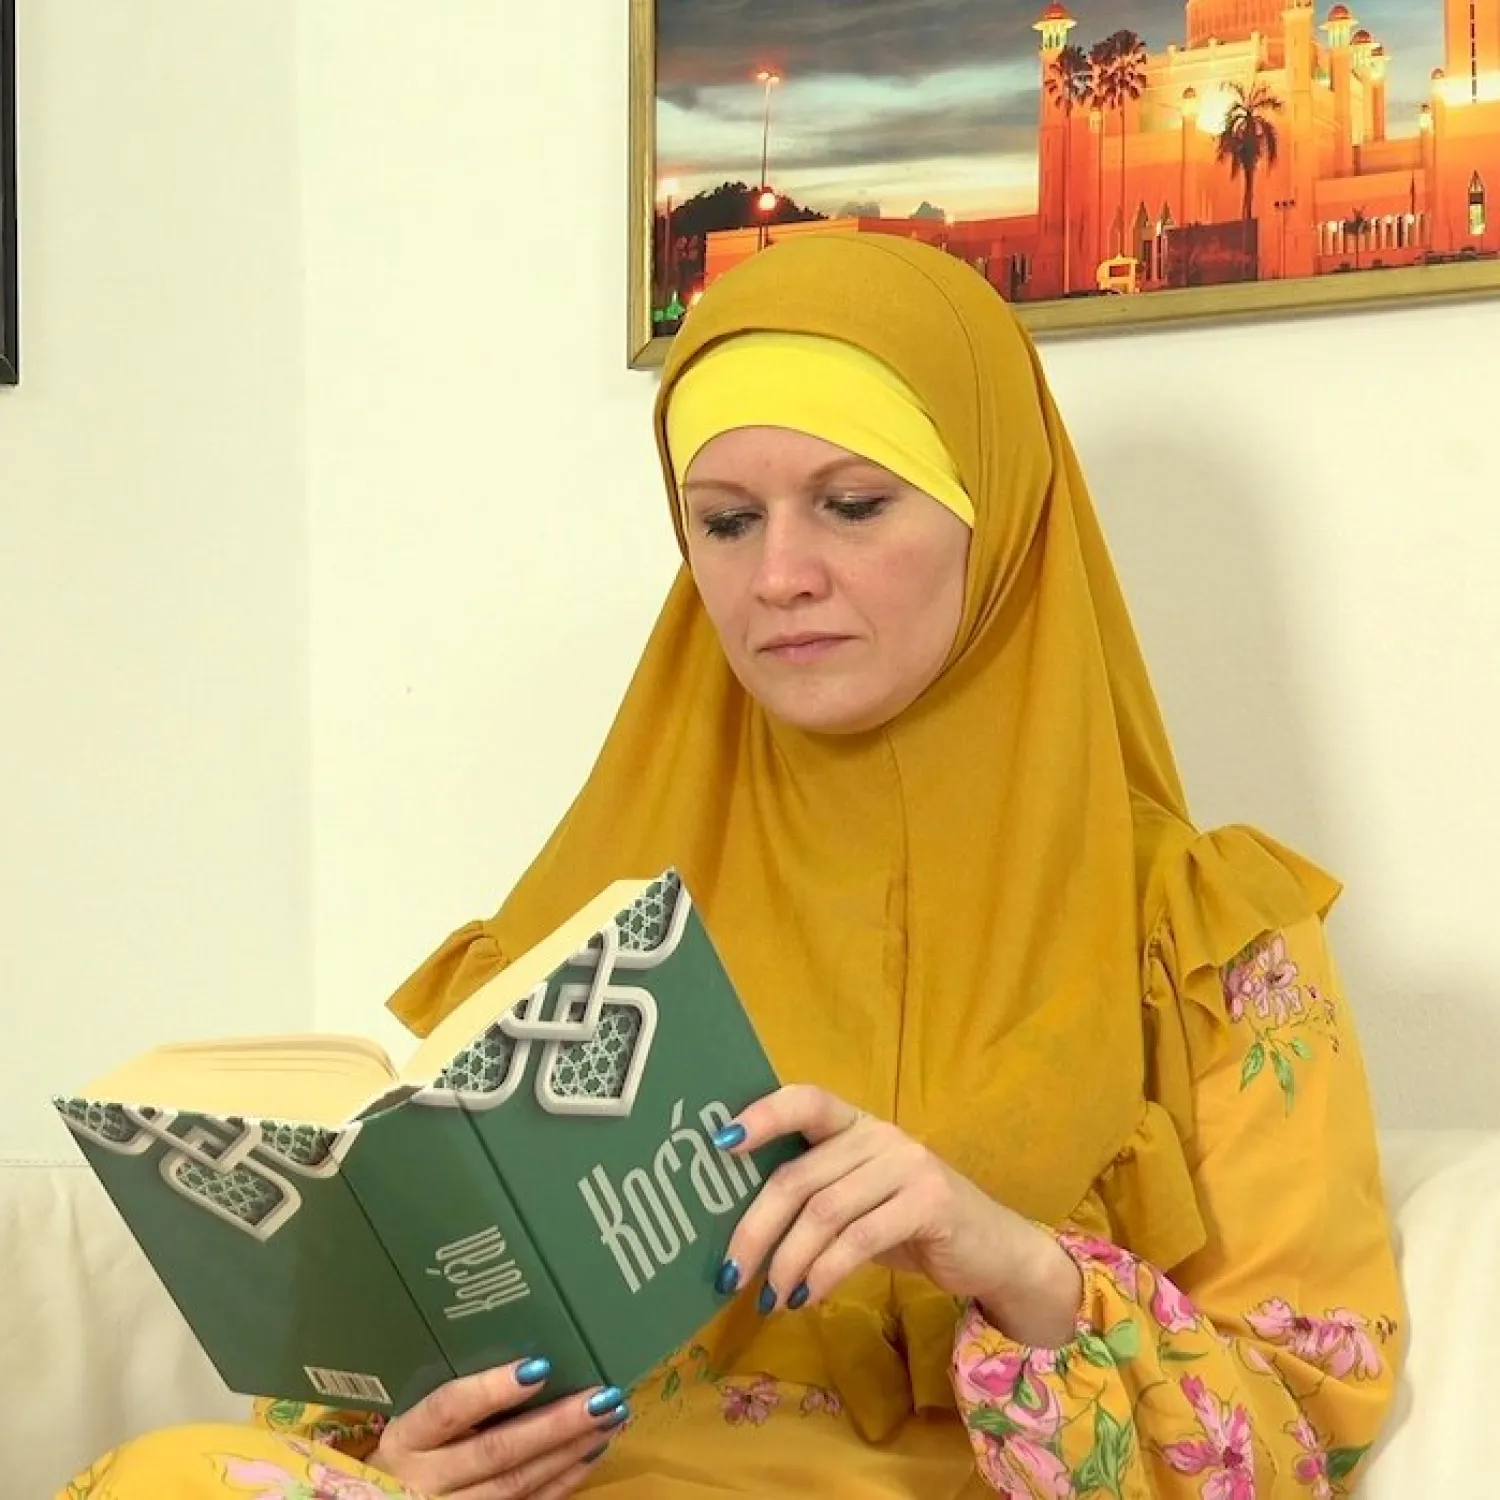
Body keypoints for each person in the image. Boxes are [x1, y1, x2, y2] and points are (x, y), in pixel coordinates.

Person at [63, 232, 1402, 1500]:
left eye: (853, 505)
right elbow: (391, 1355)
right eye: (724, 521)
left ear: (994, 513)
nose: (780, 576)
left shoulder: (1198, 931)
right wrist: (423, 1457)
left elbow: (1292, 1441)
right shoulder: (593, 908)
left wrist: (1007, 1256)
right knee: (171, 1476)